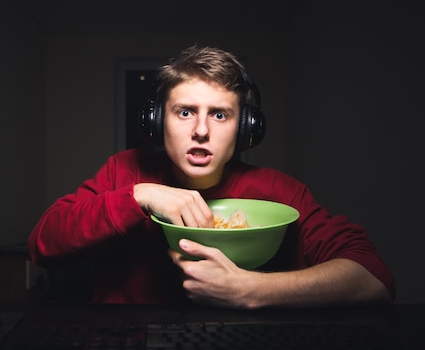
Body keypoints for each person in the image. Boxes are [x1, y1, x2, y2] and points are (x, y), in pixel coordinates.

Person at [28, 45, 395, 309]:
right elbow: (42, 246)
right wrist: (139, 194)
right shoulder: (124, 171)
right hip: (127, 349)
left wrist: (252, 289)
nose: (201, 131)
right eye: (185, 112)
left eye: (219, 115)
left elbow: (372, 278)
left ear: (246, 128)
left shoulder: (280, 191)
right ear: (158, 122)